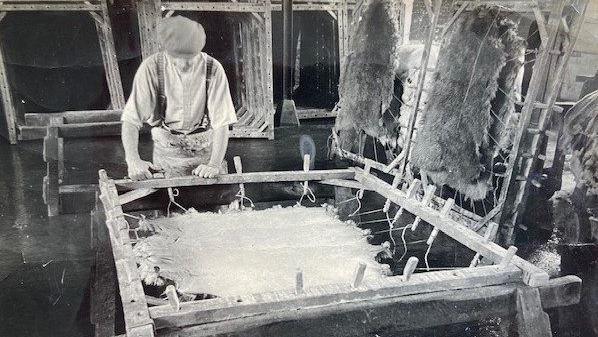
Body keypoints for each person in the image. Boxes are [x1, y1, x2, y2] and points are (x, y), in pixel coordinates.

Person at [121, 16, 237, 180]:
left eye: (190, 59)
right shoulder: (151, 68)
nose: (183, 65)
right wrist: (133, 161)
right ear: (166, 51)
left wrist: (214, 165)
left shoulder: (213, 69)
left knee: (216, 201)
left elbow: (222, 123)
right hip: (167, 154)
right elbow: (131, 121)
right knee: (167, 201)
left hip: (206, 152)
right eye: (177, 59)